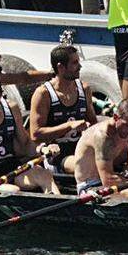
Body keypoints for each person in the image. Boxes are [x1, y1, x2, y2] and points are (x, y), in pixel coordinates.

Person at [29, 44, 98, 174]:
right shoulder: (43, 94)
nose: (80, 66)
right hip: (57, 154)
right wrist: (69, 126)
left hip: (82, 148)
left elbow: (93, 123)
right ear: (60, 67)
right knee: (88, 165)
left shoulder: (84, 89)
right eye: (75, 63)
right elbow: (35, 135)